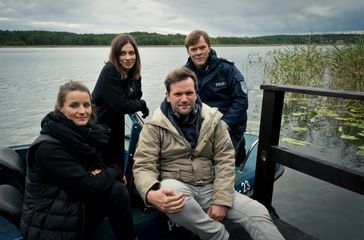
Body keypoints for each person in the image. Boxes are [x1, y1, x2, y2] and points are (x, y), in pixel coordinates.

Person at [132, 67, 284, 240]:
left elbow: (225, 159)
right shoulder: (154, 126)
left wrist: (221, 200)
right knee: (170, 190)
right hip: (179, 185)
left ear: (196, 93)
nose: (184, 99)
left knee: (258, 212)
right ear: (167, 96)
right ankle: (218, 236)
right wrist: (150, 193)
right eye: (178, 94)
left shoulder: (213, 120)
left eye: (189, 93)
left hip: (210, 185)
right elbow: (144, 165)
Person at [20, 80, 136, 240]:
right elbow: (86, 185)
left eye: (87, 105)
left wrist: (100, 175)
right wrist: (114, 172)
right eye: (74, 105)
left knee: (112, 188)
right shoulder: (48, 148)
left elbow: (94, 170)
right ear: (60, 108)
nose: (82, 111)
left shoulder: (77, 136)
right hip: (50, 219)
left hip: (66, 200)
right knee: (117, 190)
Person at [184, 30, 248, 166]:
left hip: (228, 125)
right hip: (199, 126)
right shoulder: (184, 74)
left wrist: (225, 124)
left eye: (202, 47)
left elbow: (241, 101)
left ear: (209, 47)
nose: (198, 52)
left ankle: (239, 145)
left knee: (219, 163)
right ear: (188, 52)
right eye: (194, 49)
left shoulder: (227, 69)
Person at [92, 33, 149, 170]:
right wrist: (142, 104)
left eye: (131, 53)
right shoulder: (109, 71)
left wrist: (137, 102)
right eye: (122, 53)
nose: (128, 58)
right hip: (97, 128)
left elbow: (135, 96)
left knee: (117, 167)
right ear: (115, 55)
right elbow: (121, 106)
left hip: (116, 126)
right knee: (103, 170)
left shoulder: (133, 73)